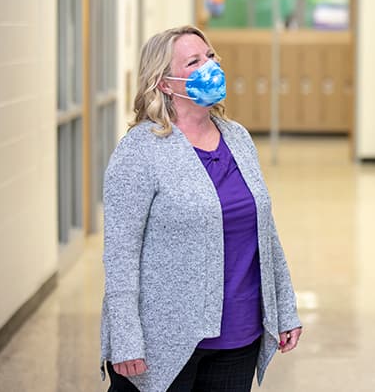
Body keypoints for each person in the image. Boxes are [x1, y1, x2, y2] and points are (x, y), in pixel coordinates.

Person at [100, 25, 302, 392]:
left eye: (211, 57)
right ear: (165, 83)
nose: (210, 66)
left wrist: (284, 308)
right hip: (164, 339)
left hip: (239, 335)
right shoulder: (141, 150)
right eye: (194, 61)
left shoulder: (237, 137)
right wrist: (125, 336)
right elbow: (120, 254)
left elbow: (265, 233)